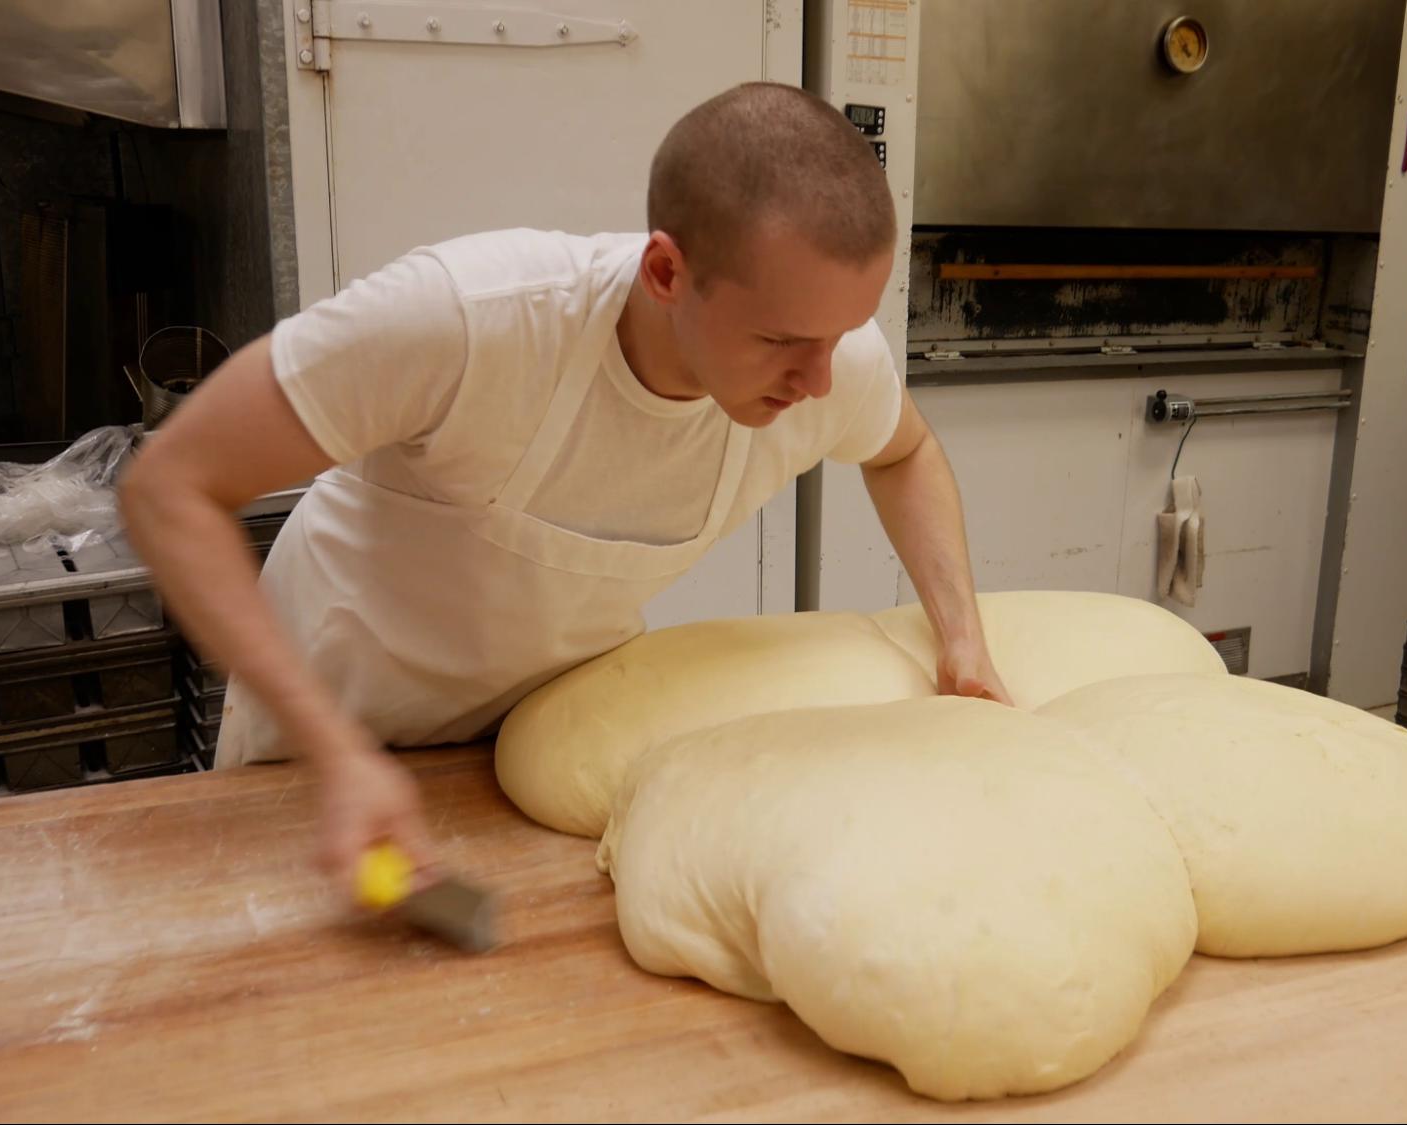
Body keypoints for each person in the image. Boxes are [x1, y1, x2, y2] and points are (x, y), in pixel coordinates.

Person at [121, 81, 1011, 896]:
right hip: (322, 756)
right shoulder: (470, 323)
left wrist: (961, 639)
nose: (819, 381)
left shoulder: (828, 361)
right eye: (782, 340)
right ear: (665, 273)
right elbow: (171, 486)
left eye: (843, 333)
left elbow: (904, 451)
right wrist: (334, 752)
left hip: (536, 756)